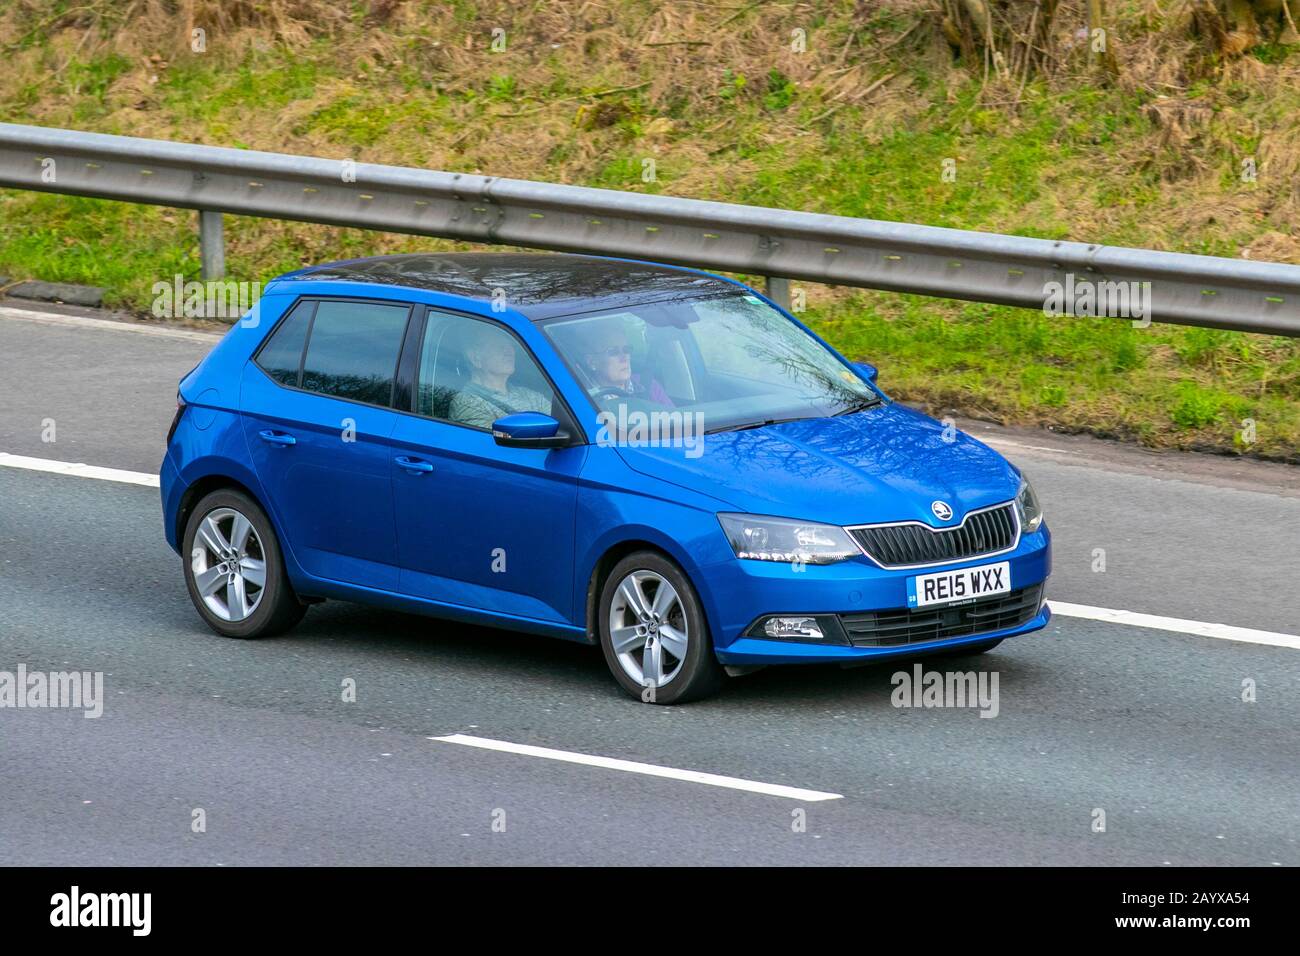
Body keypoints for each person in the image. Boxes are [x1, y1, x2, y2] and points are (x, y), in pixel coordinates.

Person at [449, 322, 551, 428]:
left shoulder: (530, 395)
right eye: (498, 345)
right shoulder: (466, 403)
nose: (509, 351)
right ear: (475, 357)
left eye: (510, 345)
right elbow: (492, 443)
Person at [581, 319, 673, 406]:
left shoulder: (650, 386)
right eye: (613, 351)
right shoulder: (580, 397)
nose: (624, 357)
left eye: (626, 349)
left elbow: (675, 419)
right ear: (592, 362)